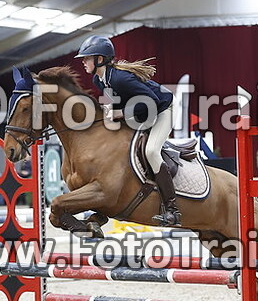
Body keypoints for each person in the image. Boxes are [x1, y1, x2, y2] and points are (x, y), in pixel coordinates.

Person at [75, 35, 180, 226]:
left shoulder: (121, 78)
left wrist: (121, 113)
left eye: (87, 58)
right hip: (143, 113)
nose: (83, 62)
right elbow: (112, 106)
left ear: (100, 59)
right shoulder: (100, 81)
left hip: (164, 109)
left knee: (151, 151)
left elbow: (152, 102)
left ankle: (172, 208)